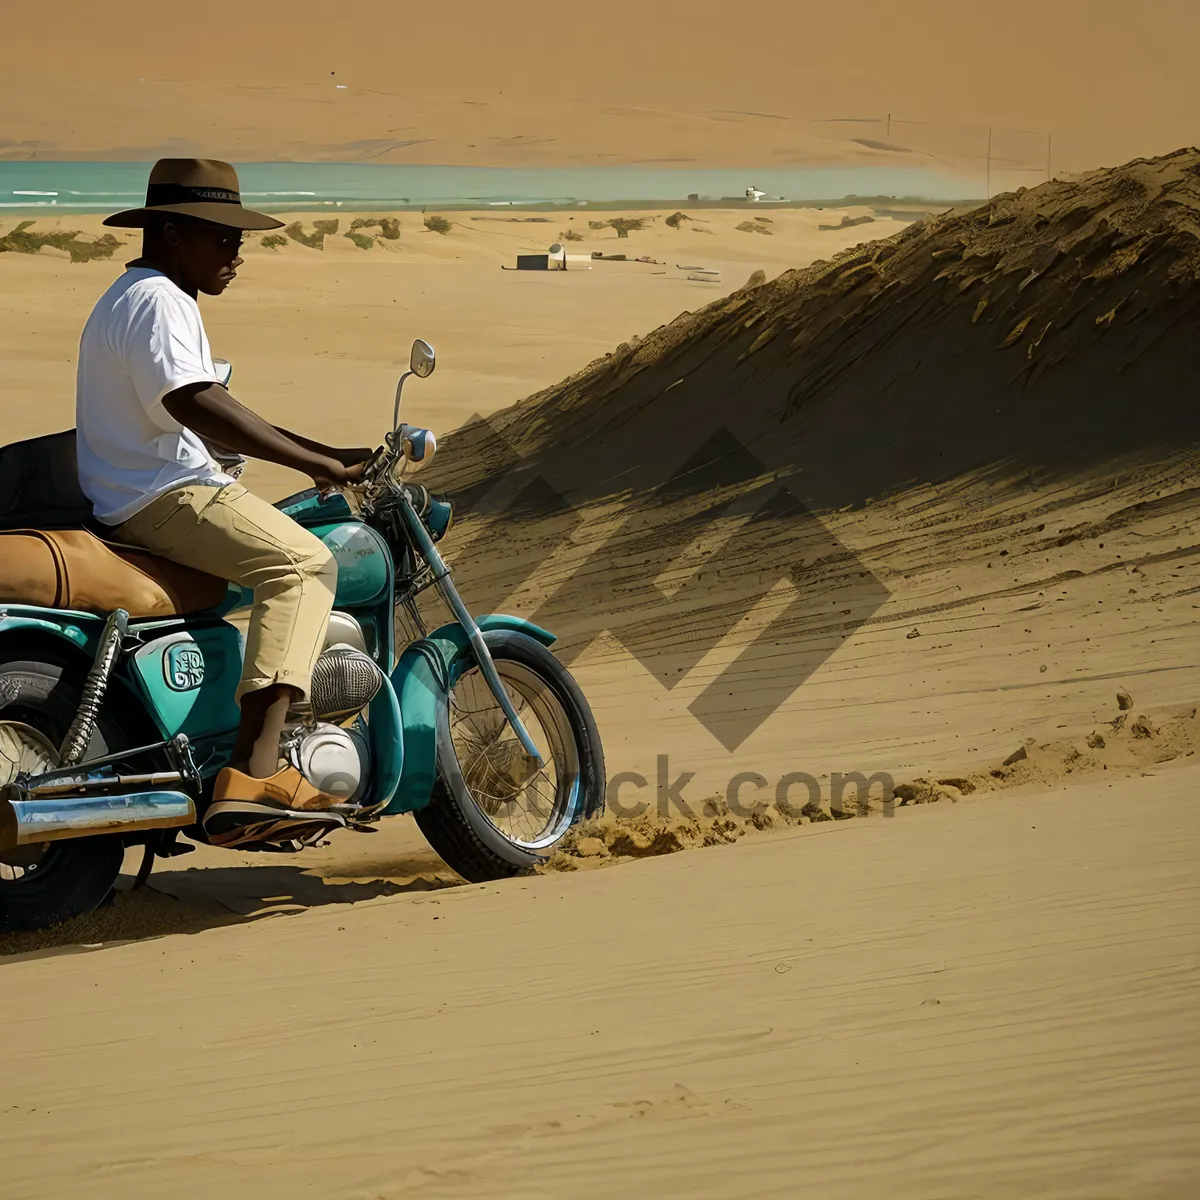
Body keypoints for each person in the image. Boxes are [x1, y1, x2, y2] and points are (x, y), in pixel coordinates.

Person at [75, 158, 372, 840]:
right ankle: (256, 771)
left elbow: (217, 405)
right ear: (172, 232)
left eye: (240, 238)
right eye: (221, 236)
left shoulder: (139, 296)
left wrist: (324, 452)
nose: (237, 253)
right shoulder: (159, 301)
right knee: (302, 565)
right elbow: (196, 403)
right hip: (165, 496)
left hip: (144, 489)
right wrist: (316, 462)